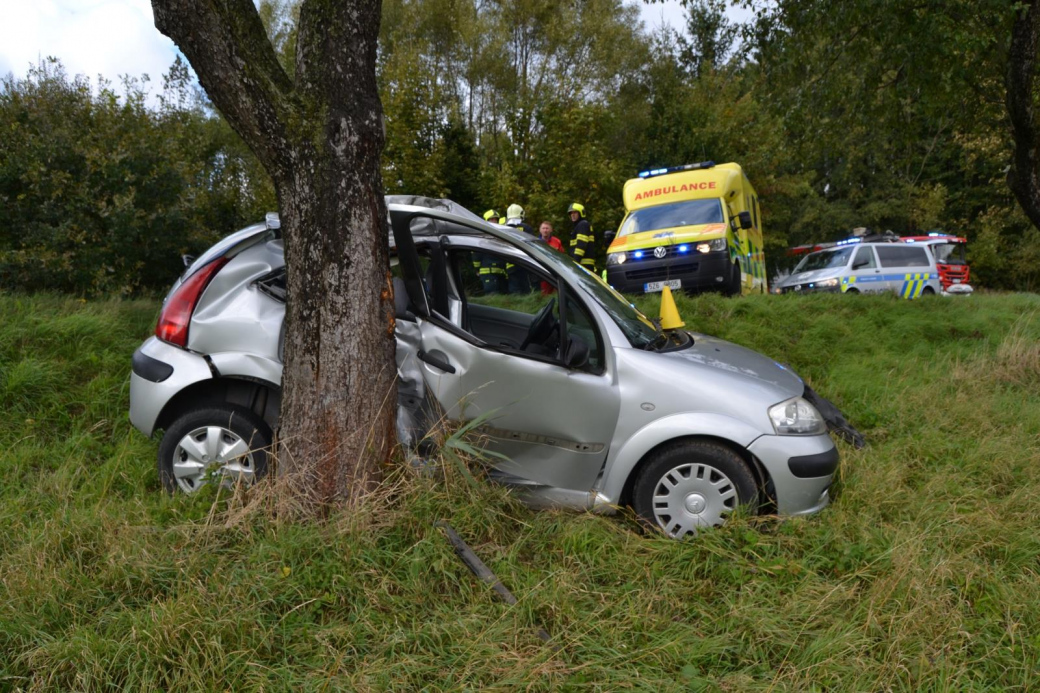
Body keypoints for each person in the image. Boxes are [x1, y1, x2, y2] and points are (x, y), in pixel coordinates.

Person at [504, 204, 535, 293]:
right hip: (525, 264)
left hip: (510, 264)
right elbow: (532, 246)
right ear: (521, 214)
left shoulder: (503, 228)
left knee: (514, 292)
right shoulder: (526, 228)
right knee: (526, 291)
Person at [478, 209, 508, 294]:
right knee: (491, 296)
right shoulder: (482, 236)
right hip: (488, 272)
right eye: (491, 219)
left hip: (501, 273)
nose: (494, 221)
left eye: (496, 219)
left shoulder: (501, 235)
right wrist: (477, 268)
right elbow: (476, 254)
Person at [567, 202, 596, 272]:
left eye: (575, 213)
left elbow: (581, 245)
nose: (572, 215)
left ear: (581, 213)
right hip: (583, 263)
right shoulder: (579, 225)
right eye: (571, 213)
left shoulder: (582, 225)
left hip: (583, 264)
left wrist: (575, 262)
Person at [537, 221, 564, 295]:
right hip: (542, 272)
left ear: (551, 230)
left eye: (547, 228)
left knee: (556, 294)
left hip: (555, 273)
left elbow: (562, 256)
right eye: (543, 228)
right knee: (544, 295)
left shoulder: (557, 241)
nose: (545, 230)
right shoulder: (536, 242)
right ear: (540, 230)